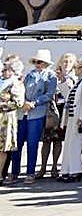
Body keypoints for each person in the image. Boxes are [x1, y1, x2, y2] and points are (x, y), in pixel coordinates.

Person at [14, 49, 56, 182]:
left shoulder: (50, 76)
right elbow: (21, 90)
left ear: (46, 63)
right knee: (18, 143)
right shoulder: (29, 75)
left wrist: (34, 102)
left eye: (40, 62)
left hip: (37, 112)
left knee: (32, 143)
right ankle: (15, 172)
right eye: (36, 62)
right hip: (23, 112)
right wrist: (23, 102)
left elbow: (49, 95)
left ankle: (30, 172)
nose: (37, 64)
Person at [41, 53, 76, 179]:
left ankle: (55, 167)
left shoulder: (74, 78)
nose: (66, 64)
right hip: (51, 110)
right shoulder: (52, 76)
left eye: (69, 62)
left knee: (58, 141)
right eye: (64, 61)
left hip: (63, 111)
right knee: (46, 141)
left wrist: (64, 80)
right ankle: (43, 167)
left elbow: (71, 95)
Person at [0, 57, 26, 184]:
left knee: (3, 148)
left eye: (5, 70)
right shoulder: (1, 81)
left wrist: (2, 104)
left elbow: (19, 103)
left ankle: (1, 174)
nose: (2, 72)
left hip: (6, 118)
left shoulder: (15, 83)